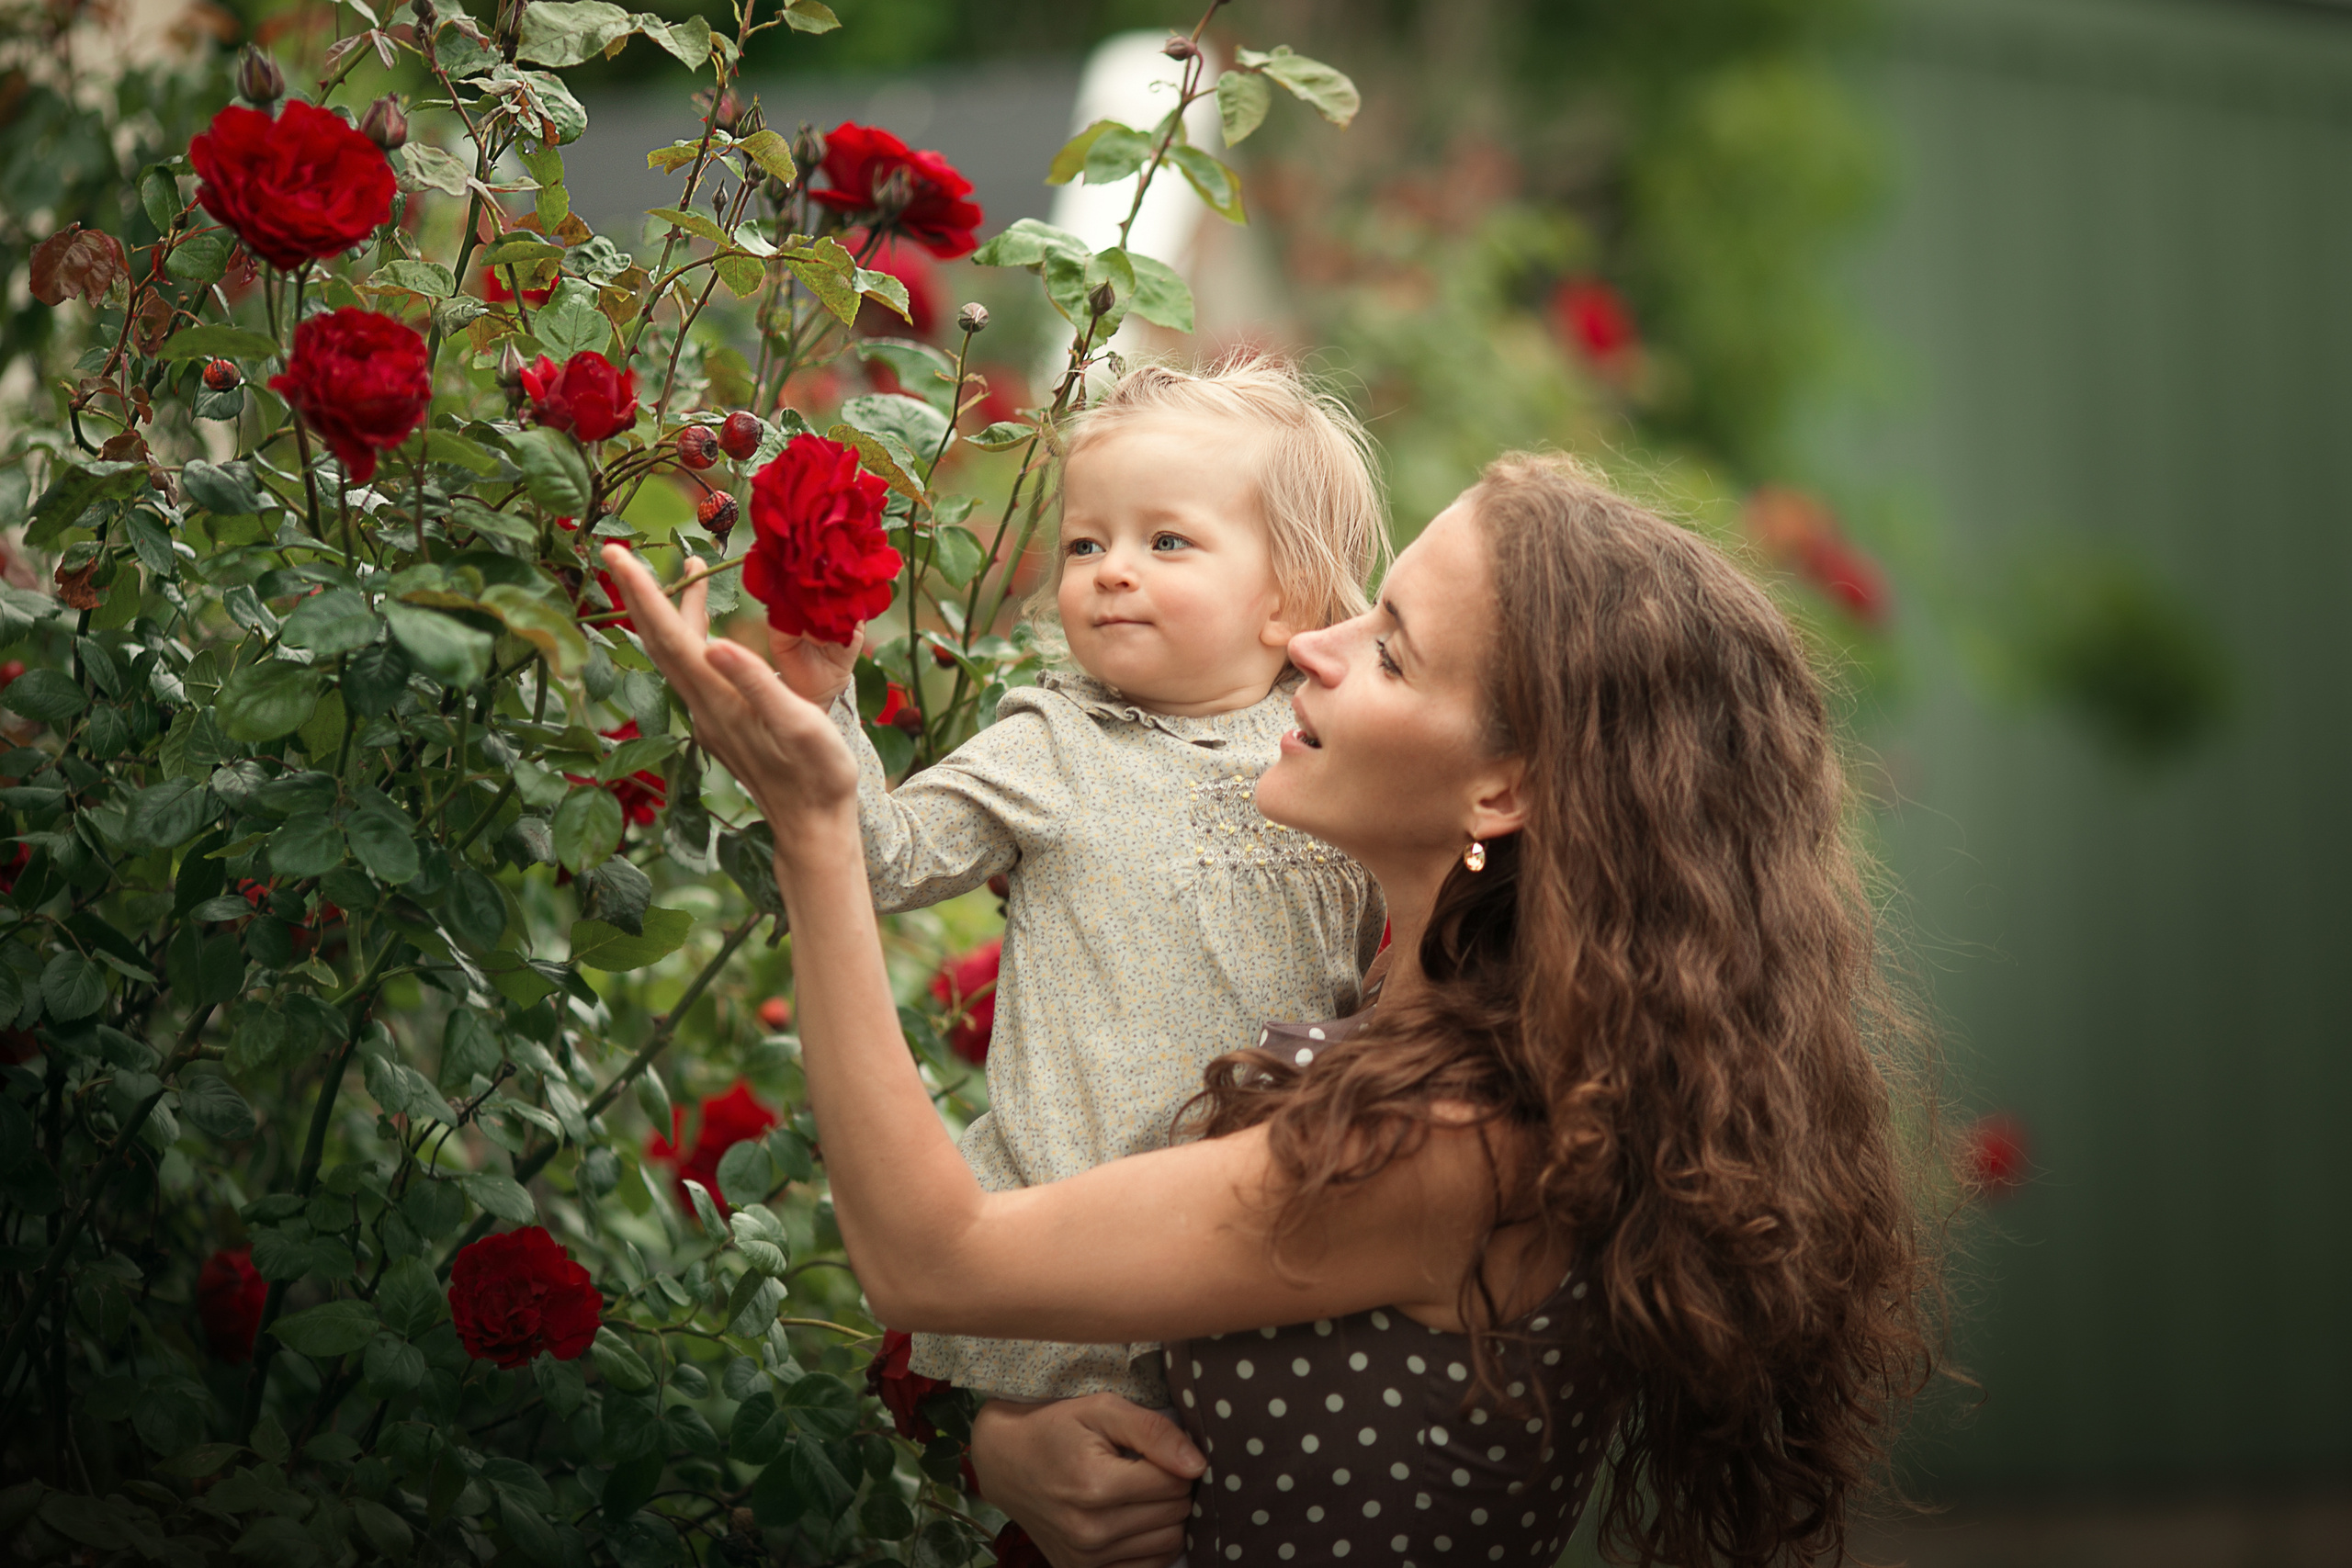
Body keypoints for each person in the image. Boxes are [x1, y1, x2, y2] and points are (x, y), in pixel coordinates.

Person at [603, 450, 1941, 1567]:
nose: (1312, 641)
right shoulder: (1394, 1028)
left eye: (1393, 652)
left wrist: (816, 830)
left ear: (1501, 791)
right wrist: (1015, 1436)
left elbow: (933, 1260)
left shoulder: (1455, 1144)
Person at [768, 357, 1390, 1409]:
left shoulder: (1331, 758)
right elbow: (888, 856)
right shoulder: (1052, 740)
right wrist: (824, 710)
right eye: (1086, 543)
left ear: (1284, 595)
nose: (1111, 569)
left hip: (1258, 1263)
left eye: (1167, 541)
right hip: (1058, 1254)